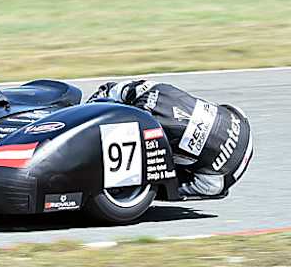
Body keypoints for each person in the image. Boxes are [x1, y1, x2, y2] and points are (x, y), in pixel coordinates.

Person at [88, 79, 253, 199]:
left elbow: (106, 90)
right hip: (238, 120)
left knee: (151, 181)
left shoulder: (143, 126)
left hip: (217, 178)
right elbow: (110, 89)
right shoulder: (151, 88)